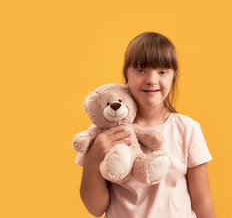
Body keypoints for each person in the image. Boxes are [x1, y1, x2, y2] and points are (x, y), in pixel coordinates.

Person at [75, 32, 215, 218]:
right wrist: (92, 161)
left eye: (162, 72)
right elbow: (96, 208)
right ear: (126, 74)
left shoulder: (187, 129)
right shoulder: (105, 133)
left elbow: (202, 199)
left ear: (173, 76)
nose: (151, 80)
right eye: (141, 70)